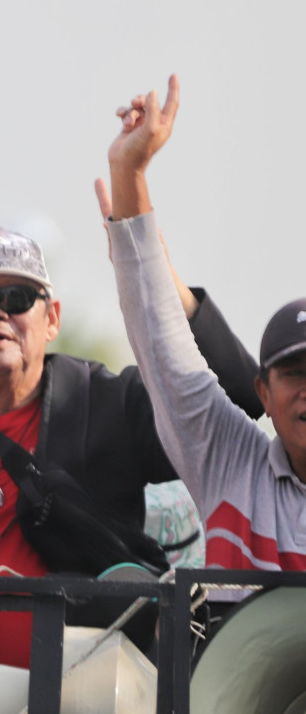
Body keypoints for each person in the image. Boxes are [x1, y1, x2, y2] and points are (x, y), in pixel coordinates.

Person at [0, 217, 262, 668]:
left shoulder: (108, 404)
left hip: (81, 689)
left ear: (52, 318)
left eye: (16, 298)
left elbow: (240, 397)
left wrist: (158, 275)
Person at [103, 73, 306, 572]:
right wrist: (129, 172)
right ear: (263, 394)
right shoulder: (231, 463)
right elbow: (161, 342)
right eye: (295, 374)